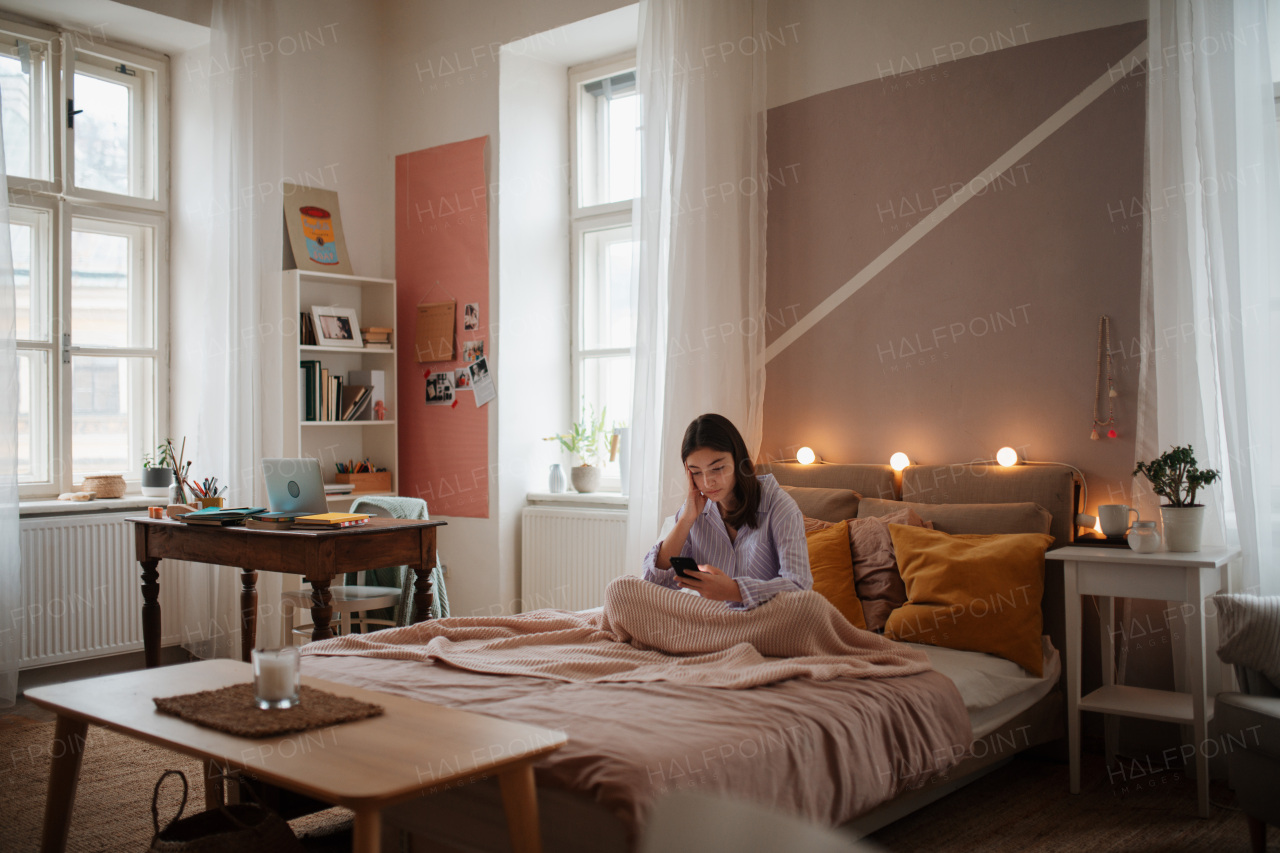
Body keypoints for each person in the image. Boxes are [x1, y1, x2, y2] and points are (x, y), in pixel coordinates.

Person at [642, 413, 811, 609]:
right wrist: (685, 520)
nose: (707, 482)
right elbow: (655, 582)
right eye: (696, 472)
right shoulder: (695, 510)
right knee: (620, 588)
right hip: (714, 624)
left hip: (765, 623)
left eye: (717, 468)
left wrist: (734, 590)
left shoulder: (779, 507)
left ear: (738, 460)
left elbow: (800, 589)